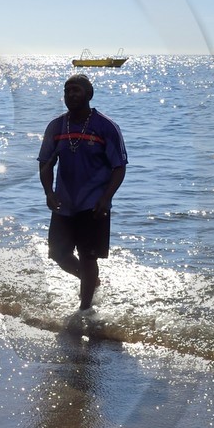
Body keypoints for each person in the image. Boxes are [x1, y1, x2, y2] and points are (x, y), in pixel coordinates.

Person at [38, 74, 127, 310]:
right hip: (64, 204)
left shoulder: (106, 127)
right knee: (58, 254)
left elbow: (119, 167)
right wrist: (48, 192)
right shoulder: (56, 126)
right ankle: (91, 282)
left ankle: (84, 309)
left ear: (89, 94)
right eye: (67, 91)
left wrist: (106, 198)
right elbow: (45, 163)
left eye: (76, 90)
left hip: (94, 205)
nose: (71, 95)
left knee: (89, 256)